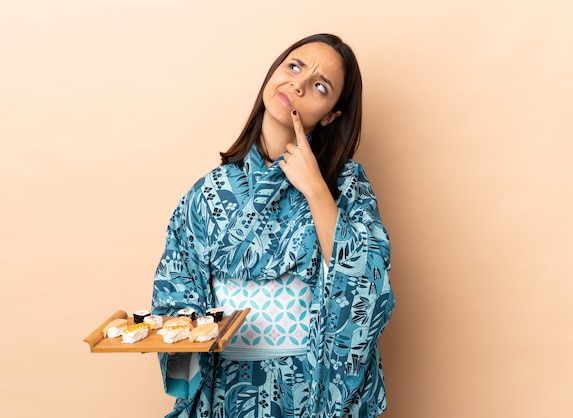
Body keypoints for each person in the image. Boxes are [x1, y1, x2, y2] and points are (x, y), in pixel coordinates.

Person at [151, 33, 395, 418]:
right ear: (273, 75)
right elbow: (176, 291)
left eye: (319, 86)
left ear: (331, 114)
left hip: (309, 385)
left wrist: (316, 188)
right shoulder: (207, 193)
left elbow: (366, 282)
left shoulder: (345, 184)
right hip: (225, 387)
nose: (297, 84)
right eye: (293, 67)